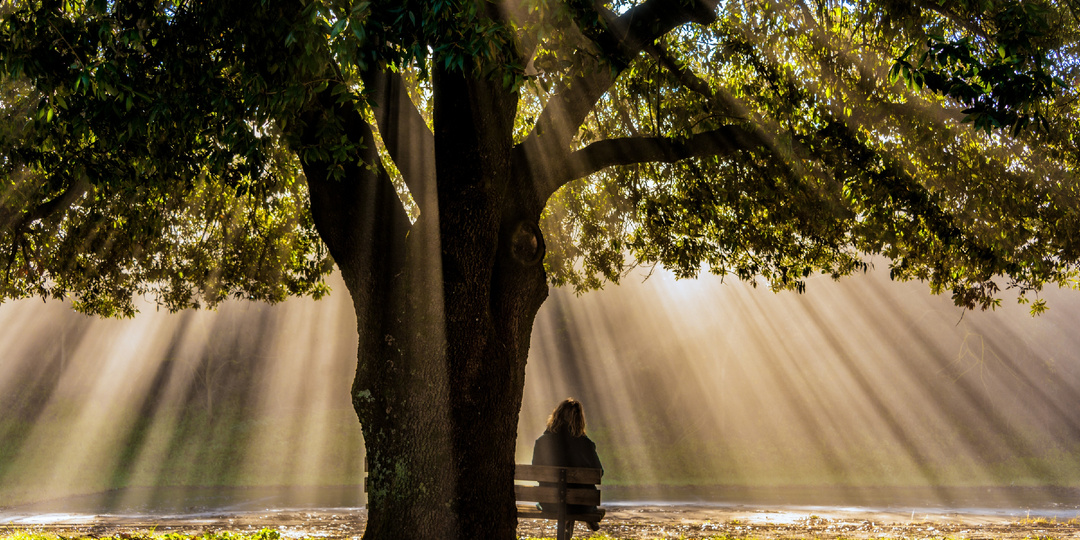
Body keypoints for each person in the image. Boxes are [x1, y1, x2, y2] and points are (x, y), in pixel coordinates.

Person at [532, 397, 603, 533]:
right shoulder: (586, 444)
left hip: (550, 503)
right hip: (581, 505)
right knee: (573, 497)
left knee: (564, 496)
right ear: (580, 420)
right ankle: (588, 521)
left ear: (556, 416)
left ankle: (566, 532)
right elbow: (599, 472)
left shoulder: (542, 442)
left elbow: (536, 473)